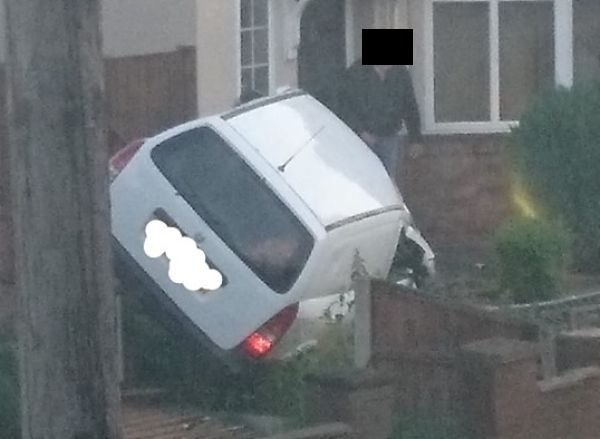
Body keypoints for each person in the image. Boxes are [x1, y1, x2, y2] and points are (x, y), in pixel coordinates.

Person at [336, 63, 423, 183]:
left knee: (389, 183)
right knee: (365, 182)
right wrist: (361, 132)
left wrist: (415, 138)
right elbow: (345, 108)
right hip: (362, 141)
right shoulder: (355, 73)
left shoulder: (401, 73)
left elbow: (410, 106)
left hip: (390, 138)